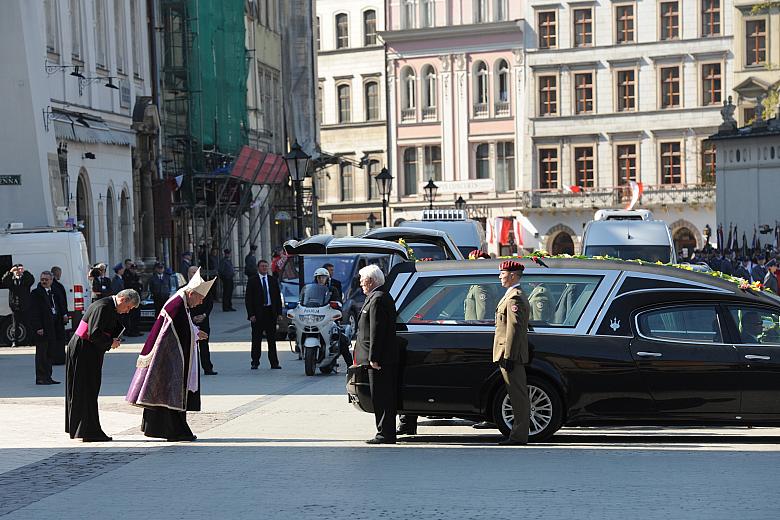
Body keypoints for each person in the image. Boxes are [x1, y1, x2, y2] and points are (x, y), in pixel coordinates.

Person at [126, 269, 214, 442]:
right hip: (168, 356)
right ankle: (175, 431)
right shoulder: (178, 304)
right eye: (200, 298)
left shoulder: (183, 301)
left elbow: (184, 327)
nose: (201, 301)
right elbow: (176, 330)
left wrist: (196, 332)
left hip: (170, 354)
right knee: (170, 392)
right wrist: (195, 334)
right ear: (191, 293)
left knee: (165, 392)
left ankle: (161, 429)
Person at [66, 289, 139, 442]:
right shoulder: (103, 306)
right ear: (123, 299)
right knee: (87, 389)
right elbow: (94, 333)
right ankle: (89, 431)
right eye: (128, 307)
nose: (127, 312)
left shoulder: (108, 306)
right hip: (84, 350)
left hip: (88, 350)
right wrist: (110, 342)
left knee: (89, 389)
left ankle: (86, 429)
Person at [354, 264, 399, 445]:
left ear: (371, 281)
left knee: (382, 397)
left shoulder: (378, 298)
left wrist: (374, 357)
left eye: (362, 280)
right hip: (378, 358)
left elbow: (377, 331)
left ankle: (385, 433)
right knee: (379, 396)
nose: (360, 283)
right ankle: (384, 431)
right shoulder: (375, 296)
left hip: (380, 360)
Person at [494, 260, 531, 446]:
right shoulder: (513, 295)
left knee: (518, 396)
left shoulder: (514, 297)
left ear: (513, 275)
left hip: (511, 355)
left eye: (503, 273)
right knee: (516, 395)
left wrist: (508, 356)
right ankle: (517, 434)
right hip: (511, 354)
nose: (500, 276)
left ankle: (518, 436)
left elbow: (514, 329)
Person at [245, 259, 282, 369]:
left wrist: (279, 313)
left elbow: (277, 298)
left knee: (272, 339)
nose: (264, 268)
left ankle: (274, 363)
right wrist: (251, 314)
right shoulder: (252, 281)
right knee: (256, 339)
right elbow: (248, 299)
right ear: (258, 268)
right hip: (258, 314)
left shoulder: (272, 280)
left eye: (266, 266)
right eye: (262, 266)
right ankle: (255, 362)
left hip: (270, 312)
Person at [29, 271, 64, 385]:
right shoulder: (36, 293)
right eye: (42, 279)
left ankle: (48, 377)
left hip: (52, 327)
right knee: (42, 354)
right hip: (42, 328)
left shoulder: (53, 292)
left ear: (51, 280)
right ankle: (41, 377)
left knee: (49, 353)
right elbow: (33, 312)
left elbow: (58, 306)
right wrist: (38, 327)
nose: (44, 281)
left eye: (46, 279)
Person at [188, 266, 217, 375]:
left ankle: (208, 368)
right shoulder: (184, 288)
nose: (194, 274)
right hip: (190, 320)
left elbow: (210, 303)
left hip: (203, 319)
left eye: (196, 272)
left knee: (204, 345)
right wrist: (192, 317)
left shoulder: (204, 288)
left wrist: (204, 315)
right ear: (188, 274)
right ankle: (191, 370)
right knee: (190, 347)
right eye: (192, 272)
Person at [1, 264, 34, 347]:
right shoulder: (12, 280)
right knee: (15, 324)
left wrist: (24, 272)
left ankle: (30, 341)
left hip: (26, 305)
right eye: (17, 270)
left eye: (19, 270)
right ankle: (14, 341)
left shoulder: (25, 279)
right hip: (15, 306)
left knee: (28, 323)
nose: (18, 272)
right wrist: (10, 272)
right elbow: (4, 281)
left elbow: (31, 280)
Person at [50, 266, 69, 364]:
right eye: (59, 273)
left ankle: (59, 357)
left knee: (59, 338)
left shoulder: (56, 285)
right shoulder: (56, 286)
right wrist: (65, 314)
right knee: (59, 338)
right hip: (57, 316)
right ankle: (58, 358)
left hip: (56, 315)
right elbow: (61, 302)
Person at [122, 260, 143, 336]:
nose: (134, 270)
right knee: (130, 316)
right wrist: (137, 284)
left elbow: (140, 286)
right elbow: (129, 285)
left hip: (137, 297)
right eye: (132, 269)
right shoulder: (126, 275)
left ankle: (136, 330)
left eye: (135, 269)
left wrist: (138, 284)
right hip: (130, 299)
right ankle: (130, 331)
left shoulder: (136, 276)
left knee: (136, 315)